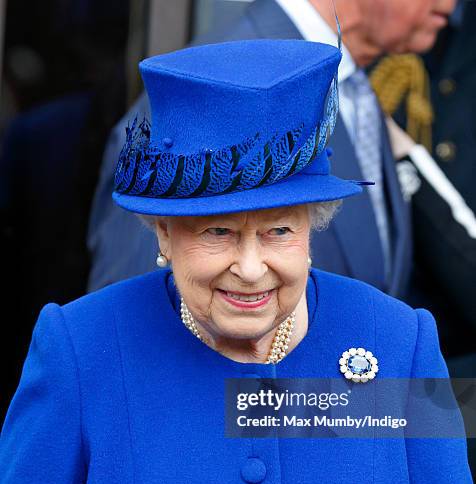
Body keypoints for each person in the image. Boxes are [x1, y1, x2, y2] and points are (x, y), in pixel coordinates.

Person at [1, 39, 475, 484]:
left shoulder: (398, 343)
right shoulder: (80, 348)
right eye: (217, 232)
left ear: (312, 226)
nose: (251, 270)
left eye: (279, 231)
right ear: (163, 233)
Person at [86, 0, 455, 296]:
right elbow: (132, 312)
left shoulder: (353, 83)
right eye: (219, 230)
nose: (452, 7)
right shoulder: (215, 84)